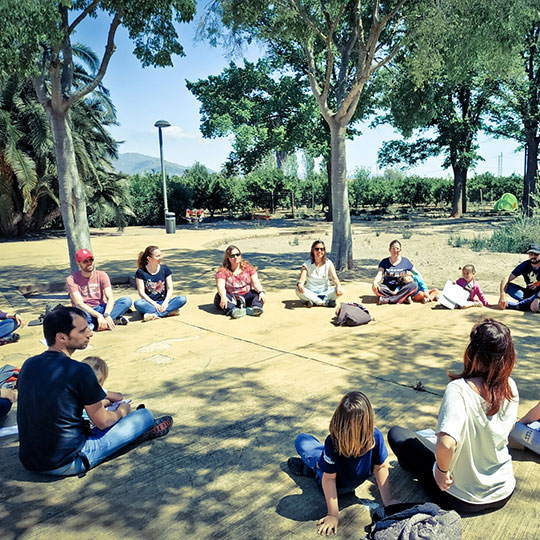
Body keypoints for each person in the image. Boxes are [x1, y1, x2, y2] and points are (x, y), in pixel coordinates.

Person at [17, 306, 172, 476]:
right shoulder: (80, 370)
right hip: (67, 461)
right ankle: (135, 435)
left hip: (29, 461)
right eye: (83, 331)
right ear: (61, 337)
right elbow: (103, 421)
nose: (90, 333)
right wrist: (121, 411)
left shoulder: (29, 364)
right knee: (145, 416)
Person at [388, 319, 518, 514]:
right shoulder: (510, 387)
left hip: (462, 497)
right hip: (503, 490)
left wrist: (441, 472)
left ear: (472, 352)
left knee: (397, 435)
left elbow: (447, 444)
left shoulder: (458, 390)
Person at [287, 391, 395, 536]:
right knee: (321, 459)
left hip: (337, 485)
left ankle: (312, 469)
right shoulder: (375, 436)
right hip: (347, 479)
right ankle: (317, 466)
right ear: (368, 420)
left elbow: (329, 479)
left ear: (338, 419)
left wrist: (333, 515)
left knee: (302, 439)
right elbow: (381, 467)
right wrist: (388, 501)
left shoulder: (332, 442)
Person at [66, 249, 132, 331]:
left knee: (126, 301)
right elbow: (79, 304)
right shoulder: (72, 279)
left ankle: (95, 325)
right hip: (85, 311)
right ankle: (110, 321)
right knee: (76, 315)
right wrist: (99, 316)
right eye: (85, 261)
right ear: (78, 263)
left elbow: (110, 297)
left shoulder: (102, 275)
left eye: (91, 260)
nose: (89, 263)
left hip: (101, 308)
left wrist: (106, 314)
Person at [134, 245, 187, 322]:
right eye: (157, 256)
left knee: (182, 299)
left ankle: (155, 315)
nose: (160, 257)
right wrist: (155, 305)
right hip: (149, 303)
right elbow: (141, 293)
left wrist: (165, 303)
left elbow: (169, 288)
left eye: (161, 255)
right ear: (149, 258)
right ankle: (168, 311)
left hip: (164, 302)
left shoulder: (165, 269)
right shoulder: (141, 272)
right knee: (138, 303)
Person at [214, 245, 266, 318]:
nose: (236, 257)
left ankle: (255, 308)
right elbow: (220, 287)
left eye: (237, 254)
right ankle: (233, 310)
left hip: (245, 296)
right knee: (220, 296)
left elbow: (255, 282)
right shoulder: (222, 271)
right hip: (231, 297)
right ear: (228, 258)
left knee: (257, 294)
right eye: (232, 256)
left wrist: (261, 292)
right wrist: (223, 296)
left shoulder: (248, 268)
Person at [372, 240, 425, 304]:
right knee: (377, 288)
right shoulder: (384, 261)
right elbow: (379, 274)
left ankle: (390, 299)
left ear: (400, 250)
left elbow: (416, 273)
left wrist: (423, 285)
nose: (395, 250)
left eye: (397, 248)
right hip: (388, 288)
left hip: (402, 288)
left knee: (413, 285)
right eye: (393, 248)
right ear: (389, 250)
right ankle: (403, 298)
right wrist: (375, 282)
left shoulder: (405, 261)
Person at [296, 241, 344, 307]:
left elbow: (335, 278)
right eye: (317, 249)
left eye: (322, 249)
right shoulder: (306, 264)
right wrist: (300, 285)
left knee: (341, 290)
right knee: (297, 290)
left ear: (324, 251)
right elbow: (302, 279)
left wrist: (338, 285)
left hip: (324, 293)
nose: (319, 251)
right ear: (313, 250)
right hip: (310, 292)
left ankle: (313, 301)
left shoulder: (329, 263)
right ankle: (324, 302)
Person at [498, 243, 540, 312]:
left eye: (536, 254)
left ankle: (516, 305)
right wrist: (502, 295)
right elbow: (506, 278)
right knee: (507, 285)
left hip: (538, 295)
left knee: (534, 305)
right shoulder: (525, 265)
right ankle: (527, 304)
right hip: (527, 294)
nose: (533, 256)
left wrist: (537, 298)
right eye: (530, 254)